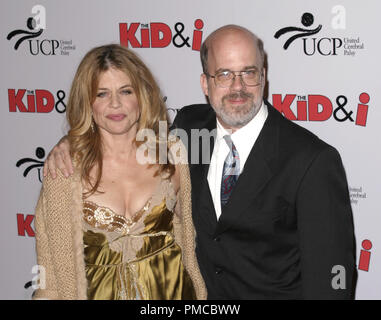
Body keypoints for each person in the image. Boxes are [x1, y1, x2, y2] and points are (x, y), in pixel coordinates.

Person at [44, 25, 356, 299]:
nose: (237, 87)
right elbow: (119, 129)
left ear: (263, 77)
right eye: (223, 74)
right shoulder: (187, 130)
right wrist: (71, 141)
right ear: (205, 84)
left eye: (248, 72)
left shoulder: (311, 160)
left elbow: (332, 279)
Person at [34, 44, 206, 300]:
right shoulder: (64, 171)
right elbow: (51, 277)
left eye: (125, 91)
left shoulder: (172, 154)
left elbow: (188, 241)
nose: (115, 104)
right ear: (87, 102)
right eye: (101, 94)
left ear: (142, 95)